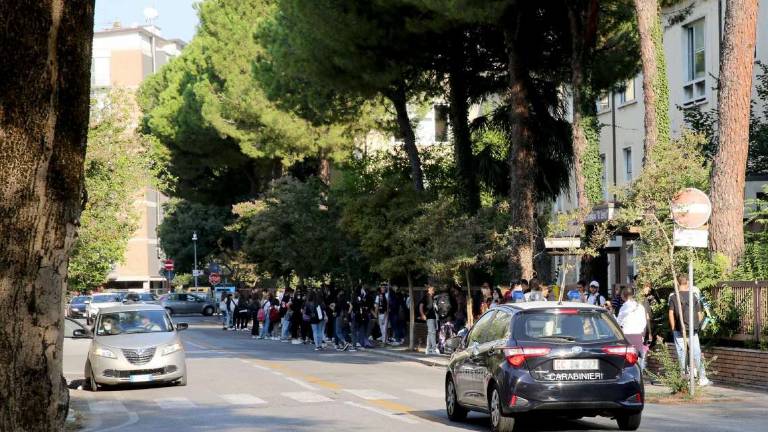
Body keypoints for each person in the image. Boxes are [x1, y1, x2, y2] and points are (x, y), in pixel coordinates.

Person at [668, 274, 711, 386]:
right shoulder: (693, 296)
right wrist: (696, 324)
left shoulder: (673, 297)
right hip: (692, 330)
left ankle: (684, 379)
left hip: (678, 330)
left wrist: (673, 328)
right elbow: (700, 314)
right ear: (687, 282)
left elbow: (671, 314)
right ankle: (702, 378)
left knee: (681, 354)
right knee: (696, 353)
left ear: (677, 283)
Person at [617, 287, 648, 368]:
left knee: (627, 359)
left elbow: (618, 322)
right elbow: (644, 323)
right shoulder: (640, 306)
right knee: (638, 359)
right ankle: (639, 375)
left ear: (623, 295)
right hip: (638, 335)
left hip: (627, 335)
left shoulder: (624, 307)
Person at [419, 284, 438, 355]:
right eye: (432, 289)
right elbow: (421, 305)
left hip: (433, 316)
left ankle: (428, 349)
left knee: (430, 333)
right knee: (432, 332)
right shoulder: (426, 296)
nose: (433, 290)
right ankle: (433, 349)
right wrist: (422, 314)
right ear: (429, 289)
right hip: (429, 317)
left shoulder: (432, 297)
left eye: (434, 289)